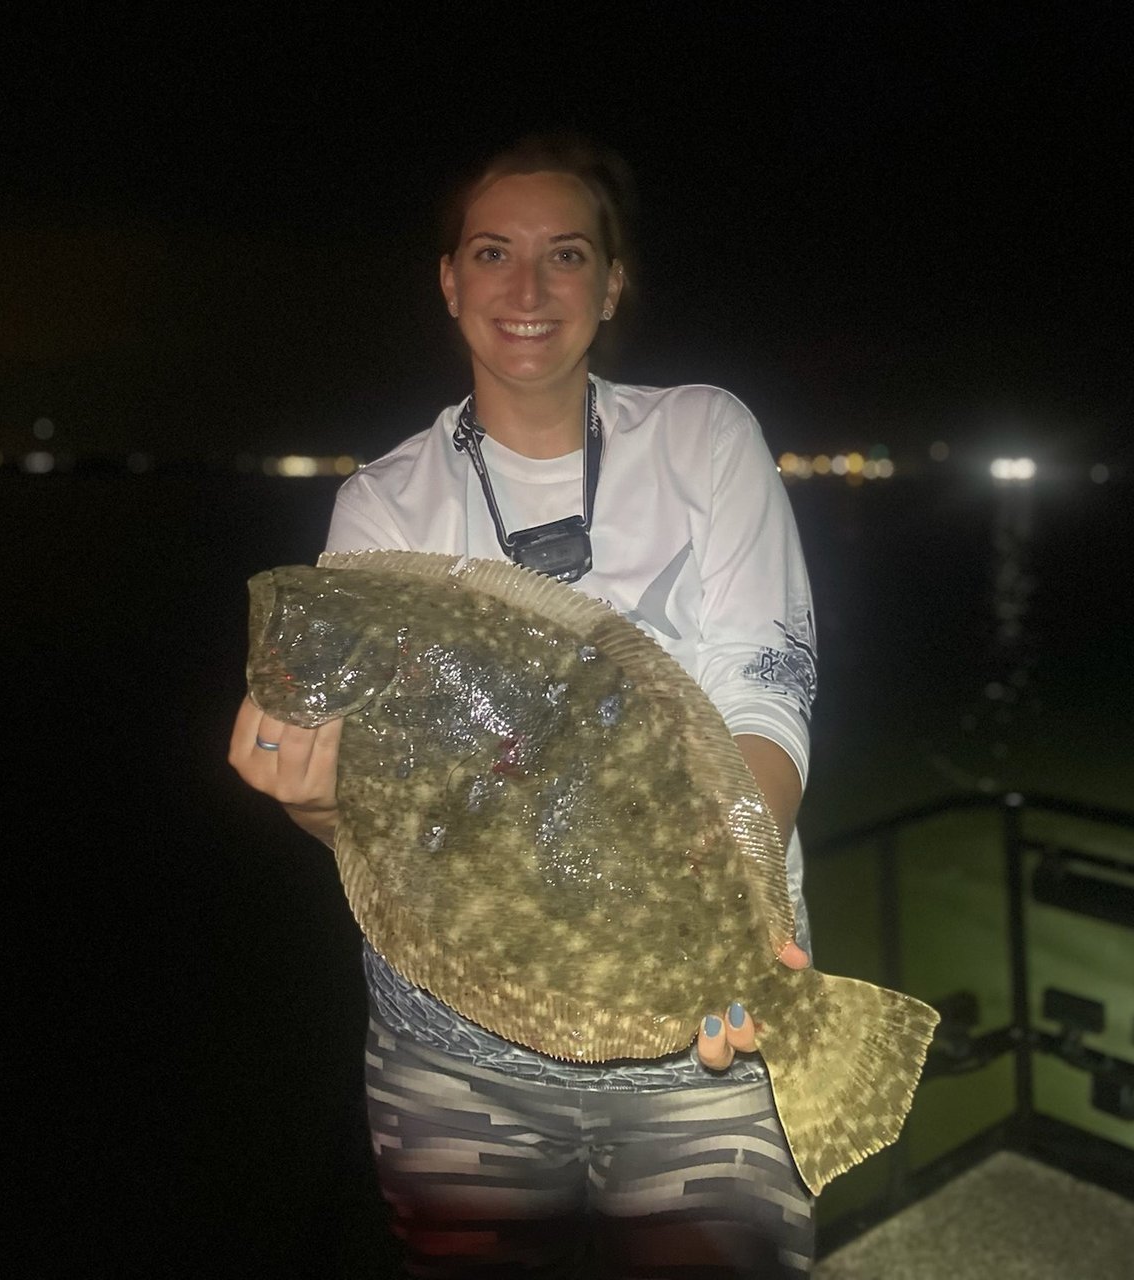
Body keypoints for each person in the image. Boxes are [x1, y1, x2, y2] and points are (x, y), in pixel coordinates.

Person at [230, 136, 818, 1277]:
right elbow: (398, 828)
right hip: (452, 1061)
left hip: (716, 1026)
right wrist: (314, 806)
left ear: (610, 284)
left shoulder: (703, 435)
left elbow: (765, 676)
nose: (526, 287)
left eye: (565, 254)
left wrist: (729, 911)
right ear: (448, 279)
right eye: (492, 252)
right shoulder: (381, 503)